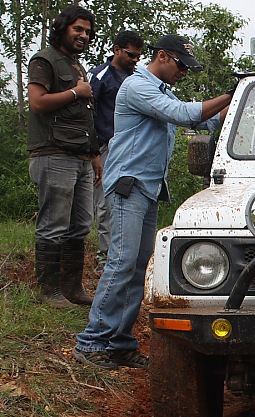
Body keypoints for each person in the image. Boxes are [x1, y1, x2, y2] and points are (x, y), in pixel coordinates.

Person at [73, 35, 232, 370]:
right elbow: (185, 114)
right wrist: (229, 94)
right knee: (121, 261)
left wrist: (243, 101)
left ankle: (118, 342)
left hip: (146, 188)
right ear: (162, 56)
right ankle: (91, 341)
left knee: (136, 266)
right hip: (129, 186)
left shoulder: (160, 91)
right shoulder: (137, 87)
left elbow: (205, 120)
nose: (184, 74)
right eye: (181, 66)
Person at [27, 5, 101, 308]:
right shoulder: (45, 60)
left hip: (81, 156)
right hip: (53, 153)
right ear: (63, 28)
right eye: (77, 29)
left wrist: (94, 154)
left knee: (81, 224)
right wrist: (75, 92)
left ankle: (72, 288)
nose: (83, 35)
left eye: (87, 31)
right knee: (54, 224)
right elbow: (37, 102)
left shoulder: (76, 65)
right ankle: (49, 291)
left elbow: (85, 116)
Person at [87, 30, 145, 273]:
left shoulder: (138, 77)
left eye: (138, 56)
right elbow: (87, 113)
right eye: (131, 54)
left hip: (134, 149)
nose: (134, 60)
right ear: (116, 49)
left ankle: (128, 257)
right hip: (106, 146)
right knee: (106, 203)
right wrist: (93, 152)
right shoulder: (100, 76)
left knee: (132, 202)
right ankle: (106, 256)